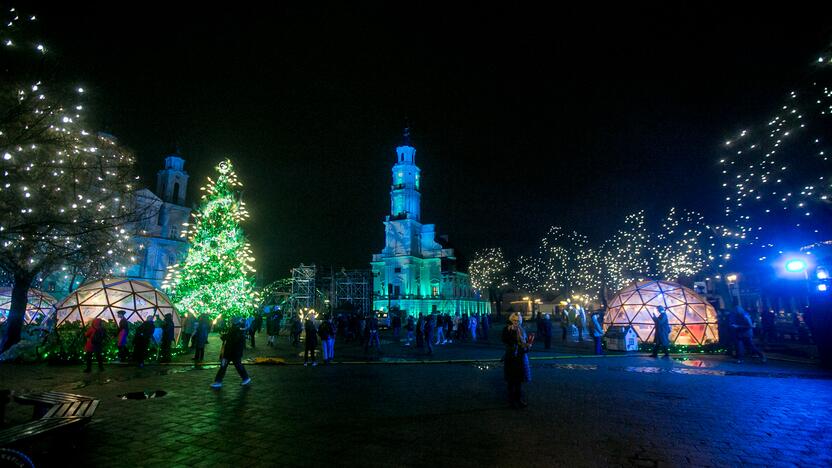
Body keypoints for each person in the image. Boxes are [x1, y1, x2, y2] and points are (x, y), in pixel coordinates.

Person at [502, 312, 532, 408]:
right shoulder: (507, 329)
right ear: (511, 320)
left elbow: (524, 343)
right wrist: (512, 331)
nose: (516, 322)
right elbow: (505, 340)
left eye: (518, 321)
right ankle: (511, 401)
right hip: (511, 357)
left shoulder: (522, 330)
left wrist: (528, 346)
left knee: (519, 380)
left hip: (520, 357)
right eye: (514, 320)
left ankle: (518, 399)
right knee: (511, 381)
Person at [211, 318, 251, 388]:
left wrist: (224, 337)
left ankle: (218, 381)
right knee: (236, 366)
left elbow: (232, 341)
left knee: (224, 367)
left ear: (232, 323)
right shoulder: (237, 329)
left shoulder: (234, 330)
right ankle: (245, 378)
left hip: (231, 352)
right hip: (234, 352)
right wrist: (224, 337)